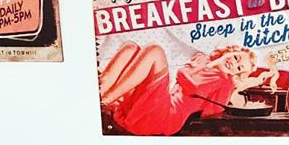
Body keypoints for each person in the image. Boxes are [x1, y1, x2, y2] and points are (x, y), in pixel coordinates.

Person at [99, 43, 272, 136]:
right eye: (235, 57)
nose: (233, 64)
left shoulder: (224, 83)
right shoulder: (203, 60)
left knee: (155, 51)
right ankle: (100, 95)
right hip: (154, 105)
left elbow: (213, 109)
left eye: (239, 68)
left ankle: (105, 100)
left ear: (237, 74)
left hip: (166, 116)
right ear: (229, 51)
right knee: (131, 47)